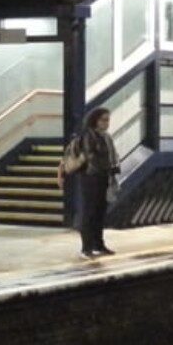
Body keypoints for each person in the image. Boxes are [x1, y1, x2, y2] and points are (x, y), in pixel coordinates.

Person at [57, 107, 118, 259]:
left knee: (100, 212)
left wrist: (112, 171)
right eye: (103, 119)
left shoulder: (105, 137)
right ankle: (86, 248)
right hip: (90, 178)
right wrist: (62, 174)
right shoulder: (88, 136)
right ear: (95, 120)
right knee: (89, 212)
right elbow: (89, 158)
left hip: (103, 177)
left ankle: (99, 244)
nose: (106, 123)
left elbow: (111, 157)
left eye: (108, 120)